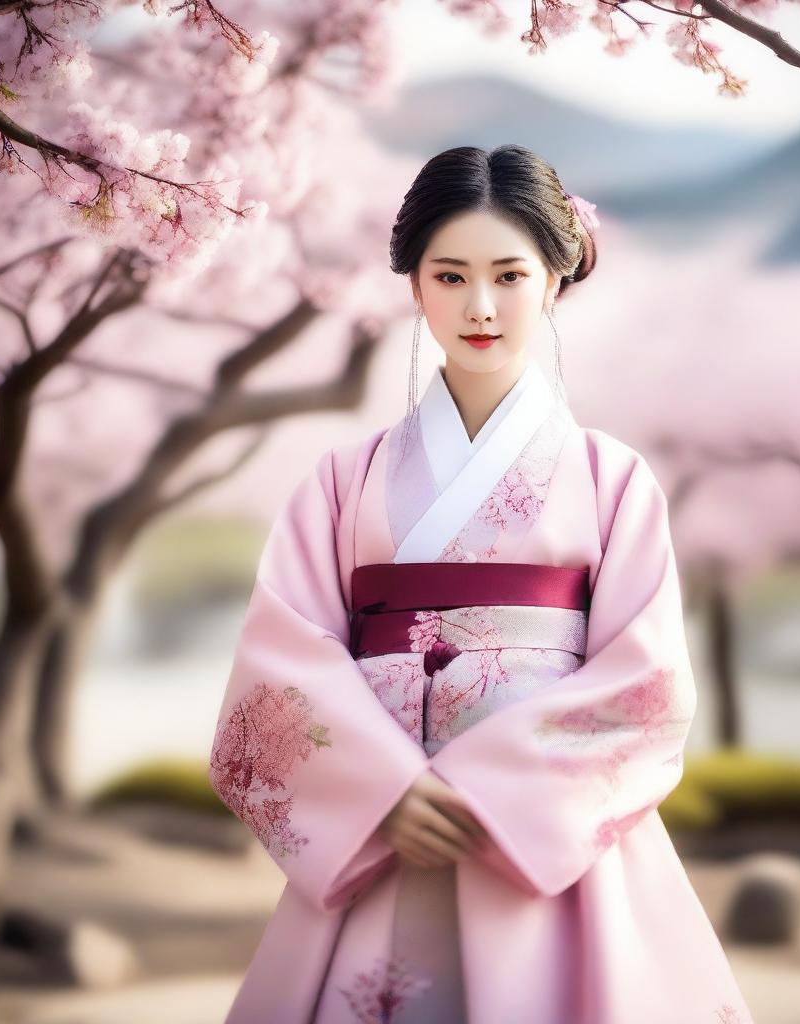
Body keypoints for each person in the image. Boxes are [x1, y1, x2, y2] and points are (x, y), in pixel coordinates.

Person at [207, 144, 755, 1024]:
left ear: (554, 281)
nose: (482, 306)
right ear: (415, 287)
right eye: (451, 276)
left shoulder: (613, 480)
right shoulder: (342, 479)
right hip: (389, 826)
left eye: (509, 274)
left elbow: (645, 686)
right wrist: (379, 788)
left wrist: (493, 790)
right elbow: (280, 655)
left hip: (545, 845)